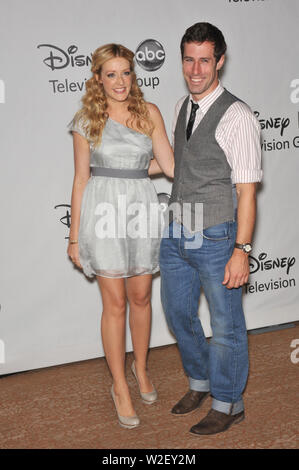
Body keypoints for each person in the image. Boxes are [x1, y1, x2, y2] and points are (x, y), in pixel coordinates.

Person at [159, 22, 262, 435]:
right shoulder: (183, 107)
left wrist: (242, 249)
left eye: (205, 60)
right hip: (176, 233)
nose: (196, 69)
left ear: (220, 61)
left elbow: (247, 192)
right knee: (179, 315)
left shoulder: (237, 115)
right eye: (189, 59)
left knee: (225, 325)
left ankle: (228, 402)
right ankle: (200, 383)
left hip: (218, 236)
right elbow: (178, 167)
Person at [67, 43, 174, 429]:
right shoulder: (86, 120)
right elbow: (81, 179)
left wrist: (131, 170)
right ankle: (119, 385)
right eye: (110, 74)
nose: (120, 81)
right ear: (98, 78)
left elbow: (170, 165)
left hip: (142, 211)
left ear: (134, 74)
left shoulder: (149, 113)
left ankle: (140, 368)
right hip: (102, 212)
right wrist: (75, 237)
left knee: (141, 297)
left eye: (126, 72)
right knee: (114, 303)